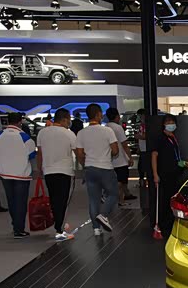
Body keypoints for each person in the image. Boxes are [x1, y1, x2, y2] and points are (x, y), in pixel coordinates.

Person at [76, 103, 119, 236]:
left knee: (93, 199)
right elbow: (115, 150)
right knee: (113, 194)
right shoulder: (107, 131)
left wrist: (85, 164)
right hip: (105, 168)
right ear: (99, 114)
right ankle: (103, 214)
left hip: (90, 168)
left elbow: (79, 154)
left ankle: (96, 229)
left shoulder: (81, 133)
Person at [0, 112, 36, 238]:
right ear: (20, 122)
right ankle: (19, 229)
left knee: (11, 200)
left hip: (4, 173)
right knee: (20, 202)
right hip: (21, 174)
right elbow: (32, 154)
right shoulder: (24, 137)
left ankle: (15, 225)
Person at [35, 108, 76, 241]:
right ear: (64, 119)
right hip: (65, 171)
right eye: (68, 119)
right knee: (63, 201)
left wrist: (39, 169)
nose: (69, 122)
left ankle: (58, 224)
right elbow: (77, 151)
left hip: (48, 171)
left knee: (54, 199)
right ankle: (59, 229)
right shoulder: (69, 134)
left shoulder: (42, 133)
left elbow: (40, 153)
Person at [151, 115, 188, 237]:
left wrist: (184, 163)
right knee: (166, 201)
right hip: (165, 174)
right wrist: (155, 174)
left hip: (175, 173)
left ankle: (171, 225)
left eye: (172, 122)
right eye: (168, 122)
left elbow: (175, 157)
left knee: (173, 199)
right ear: (164, 124)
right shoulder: (160, 138)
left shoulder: (173, 137)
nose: (171, 124)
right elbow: (154, 156)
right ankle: (164, 226)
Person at [106, 107, 136, 205]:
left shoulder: (106, 127)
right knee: (121, 181)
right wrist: (130, 157)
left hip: (110, 160)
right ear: (117, 116)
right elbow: (124, 144)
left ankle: (125, 195)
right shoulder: (118, 128)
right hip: (120, 160)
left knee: (117, 181)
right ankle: (121, 200)